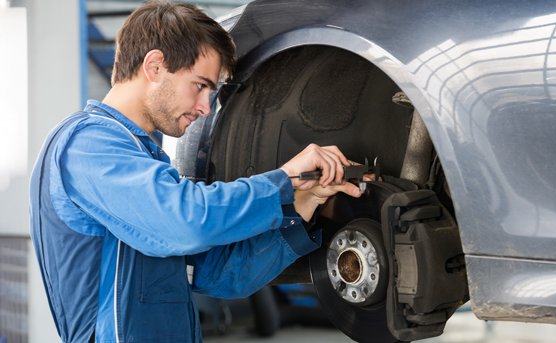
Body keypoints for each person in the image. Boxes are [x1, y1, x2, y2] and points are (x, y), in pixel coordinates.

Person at [29, 1, 362, 342]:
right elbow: (185, 221)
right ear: (155, 66)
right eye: (200, 85)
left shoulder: (146, 161)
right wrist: (284, 182)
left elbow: (221, 275)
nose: (205, 108)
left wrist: (303, 204)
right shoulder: (87, 144)